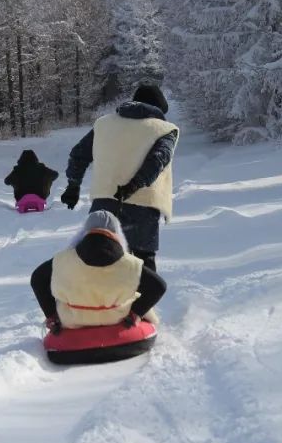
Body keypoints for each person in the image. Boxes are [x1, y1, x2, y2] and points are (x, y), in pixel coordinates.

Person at [59, 84, 178, 273]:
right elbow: (157, 160)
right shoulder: (165, 129)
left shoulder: (104, 124)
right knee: (142, 263)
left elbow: (78, 154)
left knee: (100, 260)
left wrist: (73, 185)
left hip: (104, 203)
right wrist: (134, 185)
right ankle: (142, 302)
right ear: (160, 109)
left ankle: (103, 301)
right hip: (143, 206)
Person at [31, 210, 165, 333]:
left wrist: (51, 314)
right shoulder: (130, 263)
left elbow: (37, 279)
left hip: (73, 321)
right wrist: (137, 312)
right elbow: (159, 286)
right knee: (136, 298)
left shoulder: (62, 259)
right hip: (118, 319)